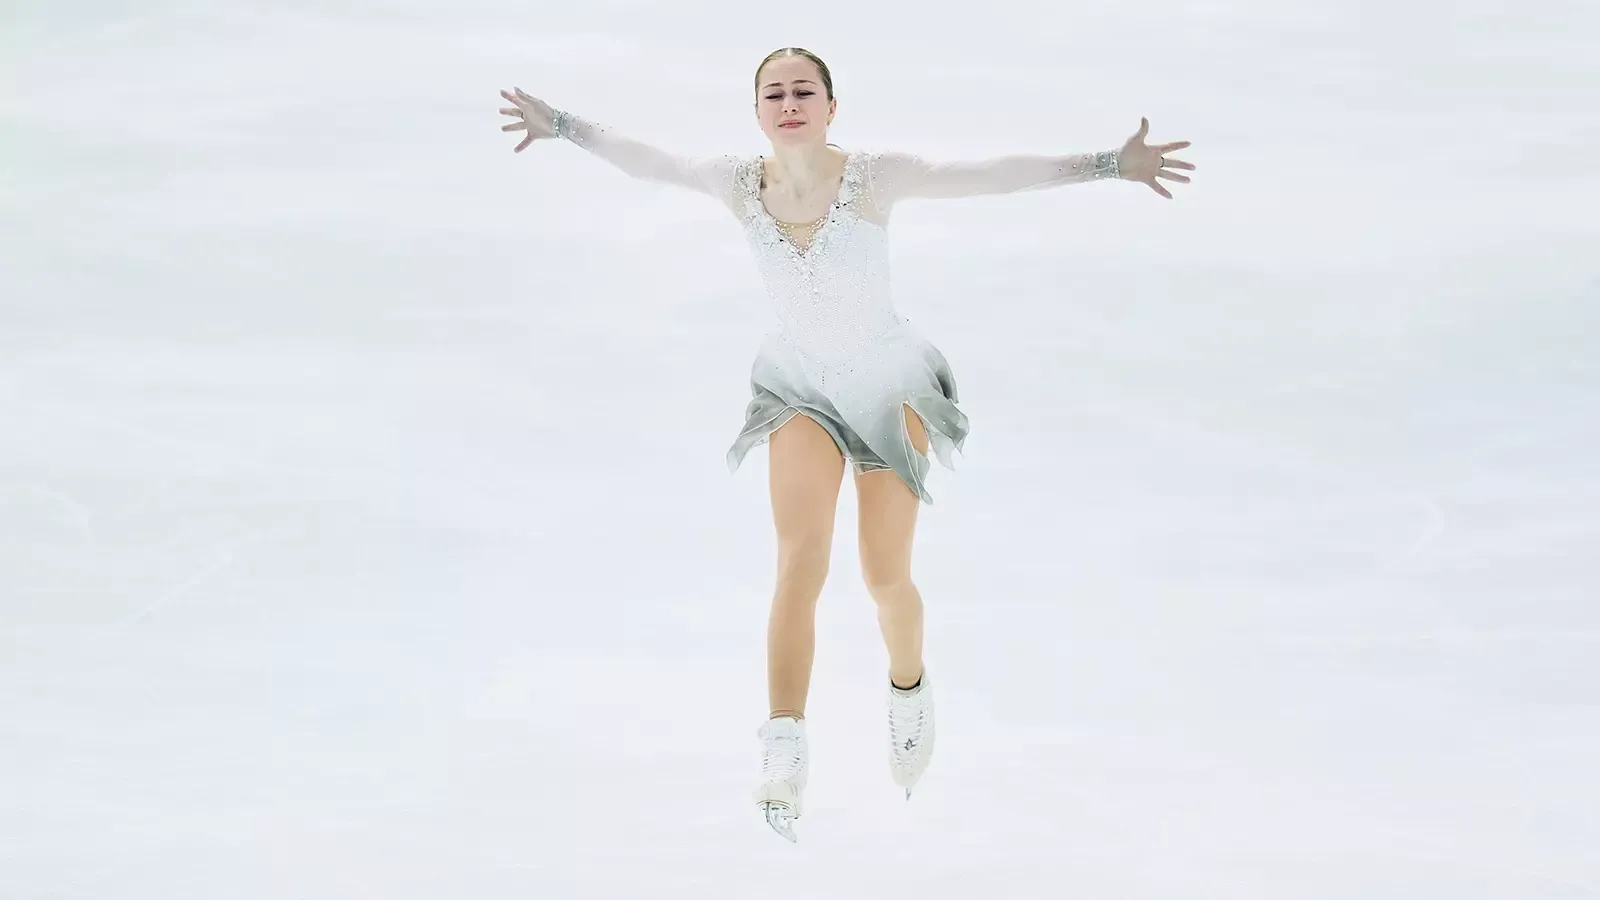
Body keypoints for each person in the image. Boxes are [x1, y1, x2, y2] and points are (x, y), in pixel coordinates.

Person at [498, 46, 1194, 841]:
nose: (788, 104)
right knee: (800, 562)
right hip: (798, 386)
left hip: (889, 388)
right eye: (774, 94)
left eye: (803, 91)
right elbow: (648, 160)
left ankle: (907, 689)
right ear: (757, 110)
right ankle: (784, 744)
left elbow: (990, 174)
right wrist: (562, 126)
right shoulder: (738, 183)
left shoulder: (873, 178)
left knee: (883, 576)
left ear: (832, 106)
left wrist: (1110, 163)